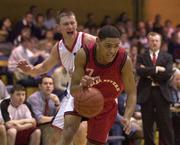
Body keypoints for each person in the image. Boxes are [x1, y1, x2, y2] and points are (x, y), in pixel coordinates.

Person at [17, 9, 96, 145]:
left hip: (93, 90)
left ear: (77, 24)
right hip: (73, 92)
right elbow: (43, 68)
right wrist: (29, 70)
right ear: (59, 28)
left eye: (72, 23)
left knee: (80, 128)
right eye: (66, 24)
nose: (70, 27)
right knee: (57, 131)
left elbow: (112, 54)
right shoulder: (58, 48)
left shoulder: (88, 40)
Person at [58, 25, 137, 145]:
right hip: (81, 97)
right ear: (98, 41)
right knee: (68, 132)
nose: (112, 51)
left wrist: (127, 116)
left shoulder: (124, 60)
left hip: (106, 104)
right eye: (108, 46)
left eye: (116, 46)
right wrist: (82, 86)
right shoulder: (84, 54)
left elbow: (131, 93)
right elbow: (73, 90)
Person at [136, 32, 175, 145]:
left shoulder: (167, 57)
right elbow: (139, 71)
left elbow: (167, 74)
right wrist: (157, 69)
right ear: (148, 42)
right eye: (152, 40)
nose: (154, 43)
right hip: (146, 94)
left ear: (160, 42)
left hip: (162, 94)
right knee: (148, 126)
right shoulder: (141, 56)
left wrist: (148, 72)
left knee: (166, 126)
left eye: (157, 40)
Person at [27, 75, 60, 145]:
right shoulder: (34, 98)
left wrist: (57, 103)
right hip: (36, 126)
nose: (48, 86)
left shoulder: (55, 98)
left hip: (50, 123)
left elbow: (61, 115)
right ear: (40, 86)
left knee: (67, 128)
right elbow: (40, 119)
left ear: (53, 87)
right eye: (45, 83)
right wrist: (55, 118)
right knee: (50, 129)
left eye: (50, 84)